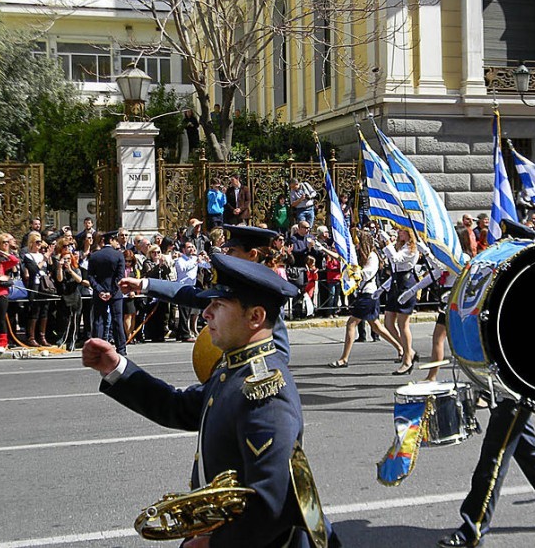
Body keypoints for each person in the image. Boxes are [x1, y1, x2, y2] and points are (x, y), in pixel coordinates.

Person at [82, 254, 341, 547]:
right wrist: (115, 367)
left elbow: (274, 501)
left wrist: (214, 543)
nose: (206, 313)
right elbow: (179, 407)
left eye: (218, 305)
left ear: (255, 317)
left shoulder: (265, 388)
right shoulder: (233, 370)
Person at [119, 225, 294, 361]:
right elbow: (192, 296)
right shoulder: (237, 284)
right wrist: (144, 284)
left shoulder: (263, 288)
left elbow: (279, 350)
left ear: (253, 254)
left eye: (232, 251)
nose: (227, 255)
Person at [437, 398, 535, 547]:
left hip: (516, 389)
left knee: (495, 453)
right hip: (507, 386)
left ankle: (473, 529)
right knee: (521, 443)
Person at [327, 231, 403, 368]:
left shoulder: (372, 256)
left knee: (351, 323)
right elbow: (343, 259)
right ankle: (401, 348)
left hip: (369, 294)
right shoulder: (361, 257)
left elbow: (367, 274)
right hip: (365, 294)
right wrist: (324, 249)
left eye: (358, 242)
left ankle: (344, 359)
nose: (356, 245)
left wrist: (354, 272)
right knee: (376, 326)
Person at [381, 228, 419, 375]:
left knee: (403, 324)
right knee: (388, 323)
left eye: (402, 231)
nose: (399, 233)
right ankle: (409, 350)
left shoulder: (411, 249)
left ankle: (407, 359)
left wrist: (387, 242)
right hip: (396, 283)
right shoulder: (401, 246)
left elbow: (396, 259)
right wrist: (383, 288)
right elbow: (393, 265)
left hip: (406, 284)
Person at [88, 230, 127, 356]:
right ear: (111, 240)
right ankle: (121, 348)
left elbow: (90, 276)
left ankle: (97, 349)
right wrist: (111, 292)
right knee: (117, 321)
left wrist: (99, 290)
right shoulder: (118, 255)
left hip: (99, 292)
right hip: (115, 294)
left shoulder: (94, 256)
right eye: (115, 240)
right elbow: (119, 277)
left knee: (99, 320)